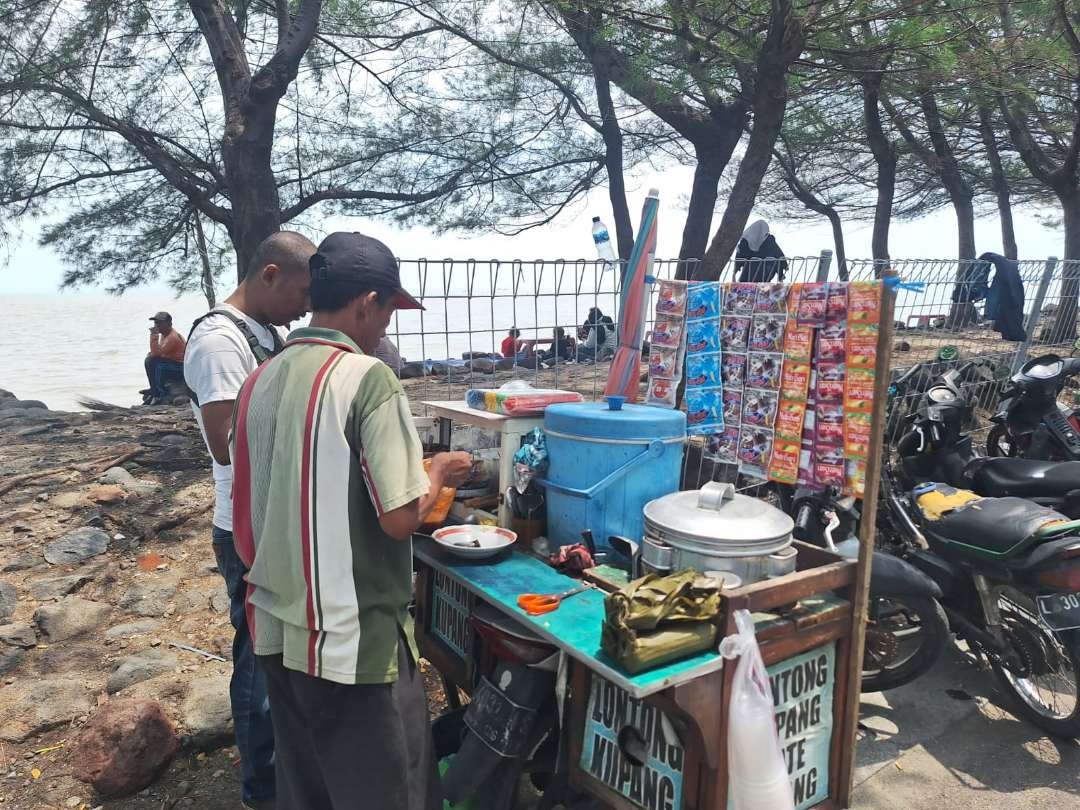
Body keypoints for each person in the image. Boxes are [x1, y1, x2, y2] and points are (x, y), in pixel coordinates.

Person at [229, 231, 473, 810]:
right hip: (352, 645)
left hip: (277, 632)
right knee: (389, 791)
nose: (386, 327)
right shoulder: (368, 378)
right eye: (388, 311)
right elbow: (400, 517)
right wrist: (435, 471)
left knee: (309, 788)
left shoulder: (258, 379)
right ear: (368, 302)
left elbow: (247, 510)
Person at [183, 230, 316, 810]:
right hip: (245, 525)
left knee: (281, 657)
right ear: (269, 275)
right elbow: (225, 444)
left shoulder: (269, 333)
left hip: (274, 517)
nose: (306, 306)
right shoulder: (218, 341)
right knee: (259, 663)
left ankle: (283, 773)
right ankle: (261, 791)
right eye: (302, 292)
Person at [143, 311, 187, 404]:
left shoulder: (172, 337)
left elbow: (156, 353)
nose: (157, 325)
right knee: (150, 360)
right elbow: (158, 353)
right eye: (156, 322)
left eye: (160, 322)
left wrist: (153, 335)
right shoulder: (164, 335)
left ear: (169, 323)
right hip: (173, 364)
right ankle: (154, 389)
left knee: (155, 363)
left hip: (180, 368)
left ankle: (159, 393)